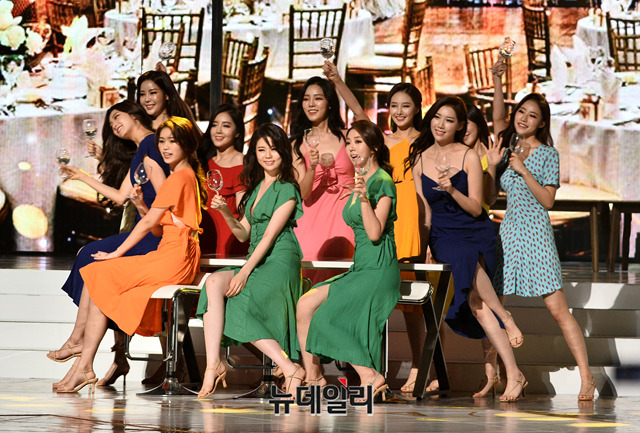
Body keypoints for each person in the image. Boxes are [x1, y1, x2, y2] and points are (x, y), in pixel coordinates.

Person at [53, 116, 206, 393]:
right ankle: (83, 364)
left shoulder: (179, 178)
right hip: (171, 252)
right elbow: (157, 228)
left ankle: (81, 355)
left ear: (187, 144)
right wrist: (140, 204)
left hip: (174, 257)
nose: (165, 147)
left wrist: (116, 253)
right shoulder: (183, 177)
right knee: (97, 277)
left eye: (172, 141)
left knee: (99, 272)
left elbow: (148, 226)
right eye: (162, 142)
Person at [406, 96, 527, 402]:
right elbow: (425, 210)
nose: (440, 125)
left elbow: (475, 207)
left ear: (460, 126)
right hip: (442, 234)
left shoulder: (469, 156)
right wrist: (424, 246)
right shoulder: (419, 158)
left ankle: (512, 361)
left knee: (477, 301)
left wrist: (451, 189)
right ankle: (512, 356)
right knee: (476, 302)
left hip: (473, 230)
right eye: (437, 117)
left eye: (449, 120)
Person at [492, 59, 596, 401]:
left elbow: (548, 200)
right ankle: (499, 376)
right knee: (496, 307)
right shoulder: (507, 146)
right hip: (508, 232)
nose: (523, 118)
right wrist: (498, 80)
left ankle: (587, 377)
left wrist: (523, 170)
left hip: (536, 234)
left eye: (532, 115)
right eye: (521, 112)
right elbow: (498, 119)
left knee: (558, 310)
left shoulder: (548, 154)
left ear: (542, 122)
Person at [195, 124, 305, 399]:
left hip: (279, 259)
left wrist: (244, 272)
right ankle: (213, 364)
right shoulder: (257, 188)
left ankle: (289, 368)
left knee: (237, 303)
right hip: (256, 258)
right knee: (213, 283)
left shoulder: (288, 188)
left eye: (273, 149)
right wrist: (225, 212)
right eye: (261, 150)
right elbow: (244, 233)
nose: (268, 155)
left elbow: (269, 236)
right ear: (254, 154)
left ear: (283, 152)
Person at [297, 120, 400, 399]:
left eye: (358, 142)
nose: (352, 148)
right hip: (361, 266)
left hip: (378, 268)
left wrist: (364, 199)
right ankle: (314, 377)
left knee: (326, 317)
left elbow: (375, 233)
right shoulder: (359, 180)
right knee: (305, 305)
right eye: (349, 143)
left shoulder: (383, 182)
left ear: (374, 147)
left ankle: (370, 375)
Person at [290, 74, 366, 284]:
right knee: (309, 281)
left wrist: (337, 81)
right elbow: (304, 193)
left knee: (343, 280)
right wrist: (313, 167)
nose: (311, 104)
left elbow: (362, 118)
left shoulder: (347, 137)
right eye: (306, 99)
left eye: (318, 98)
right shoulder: (297, 144)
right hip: (311, 219)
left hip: (345, 216)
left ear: (330, 103)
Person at [197, 104, 248, 257]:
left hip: (227, 239)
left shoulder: (241, 163)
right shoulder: (206, 162)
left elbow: (243, 211)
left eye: (226, 126)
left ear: (237, 132)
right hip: (204, 233)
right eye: (214, 125)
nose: (218, 130)